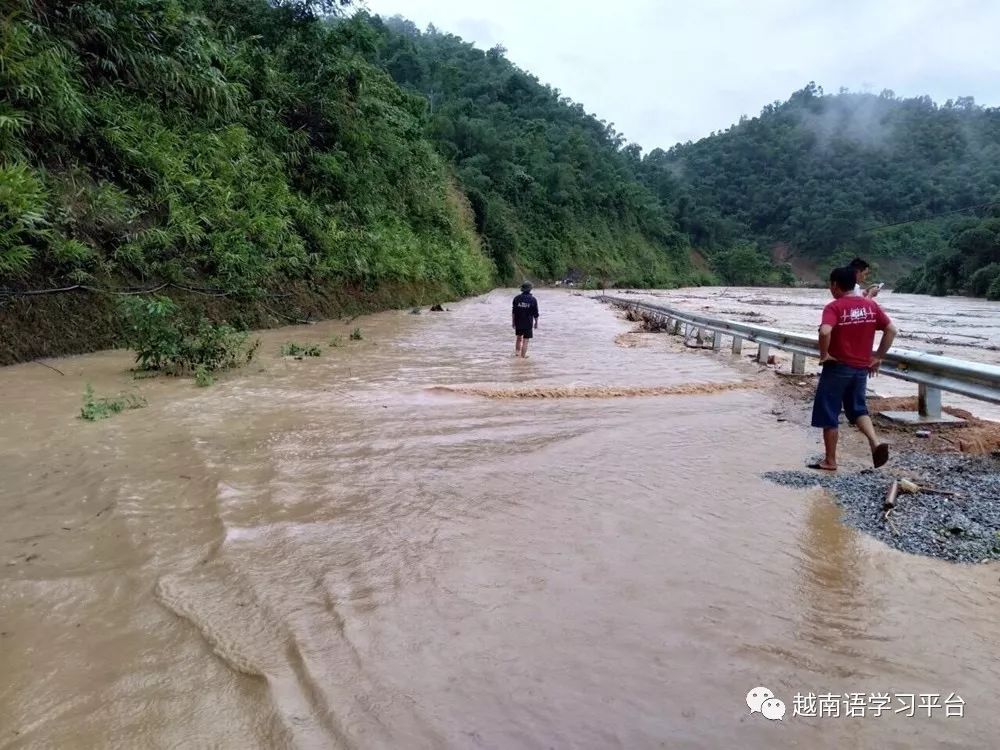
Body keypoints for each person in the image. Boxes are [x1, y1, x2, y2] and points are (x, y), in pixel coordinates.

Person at [809, 266, 898, 471]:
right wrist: (878, 357)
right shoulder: (870, 306)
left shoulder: (834, 307)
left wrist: (824, 355)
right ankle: (875, 442)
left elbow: (824, 331)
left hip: (837, 366)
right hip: (860, 368)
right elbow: (891, 330)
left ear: (834, 285)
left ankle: (830, 460)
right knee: (858, 409)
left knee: (829, 411)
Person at [512, 282, 539, 357]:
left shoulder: (517, 298)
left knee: (518, 338)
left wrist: (513, 322)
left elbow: (514, 311)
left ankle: (517, 354)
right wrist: (536, 323)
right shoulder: (533, 300)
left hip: (518, 321)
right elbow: (535, 313)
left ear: (522, 289)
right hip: (528, 323)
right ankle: (522, 357)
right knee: (525, 340)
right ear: (530, 289)